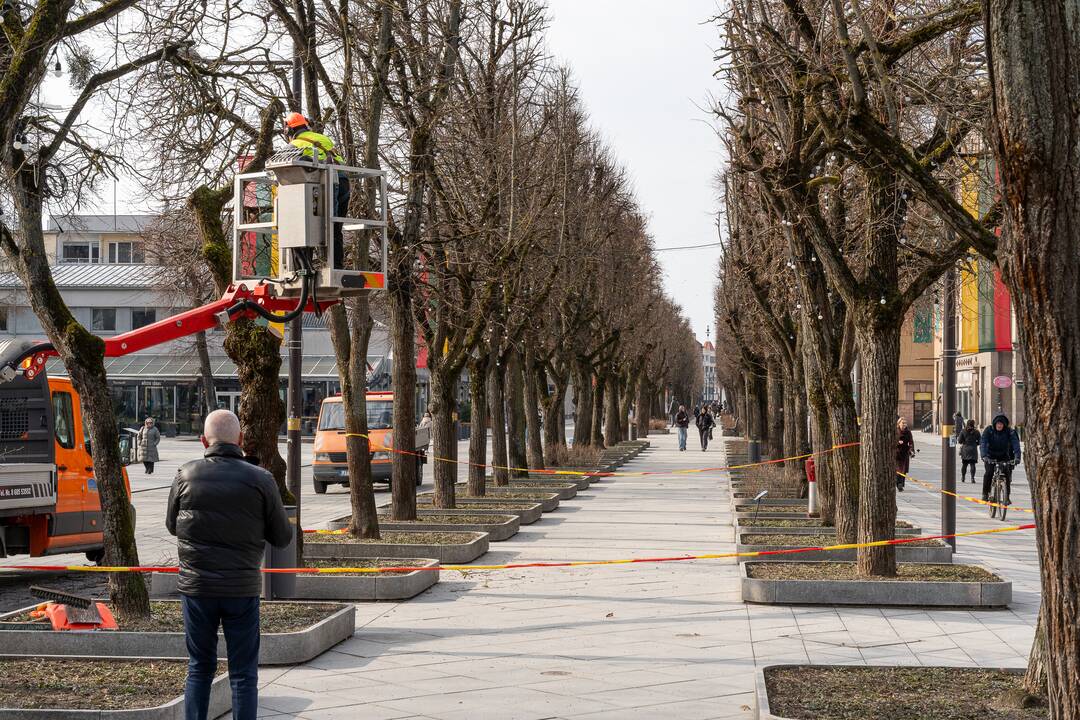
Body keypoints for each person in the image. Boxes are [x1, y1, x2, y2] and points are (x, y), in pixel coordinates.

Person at [167, 410, 293, 720]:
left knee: (199, 667)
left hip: (197, 590)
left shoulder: (185, 474)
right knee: (244, 673)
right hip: (241, 588)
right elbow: (282, 536)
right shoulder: (261, 479)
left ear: (202, 440)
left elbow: (173, 525)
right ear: (240, 440)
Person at [283, 112, 349, 270]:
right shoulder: (323, 139)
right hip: (343, 182)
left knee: (308, 226)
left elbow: (280, 165)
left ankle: (304, 269)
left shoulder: (295, 144)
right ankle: (336, 266)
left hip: (322, 184)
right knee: (334, 227)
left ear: (289, 131)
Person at [980, 413, 1021, 504]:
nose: (999, 425)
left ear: (1004, 425)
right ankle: (985, 493)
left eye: (1001, 424)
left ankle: (1007, 497)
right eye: (998, 423)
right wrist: (984, 456)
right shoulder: (989, 430)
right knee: (989, 473)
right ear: (995, 424)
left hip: (1003, 455)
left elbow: (1016, 444)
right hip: (990, 456)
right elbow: (983, 443)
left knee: (1007, 474)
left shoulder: (1009, 432)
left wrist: (1017, 457)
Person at [958, 419, 980, 483]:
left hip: (965, 449)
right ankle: (972, 478)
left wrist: (964, 442)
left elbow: (959, 441)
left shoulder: (963, 431)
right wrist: (975, 443)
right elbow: (980, 441)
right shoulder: (976, 432)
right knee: (972, 464)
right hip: (973, 449)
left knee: (964, 464)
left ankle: (963, 477)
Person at [895, 417, 914, 491]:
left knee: (904, 470)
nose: (904, 425)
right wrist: (897, 442)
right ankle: (898, 484)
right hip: (897, 454)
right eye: (903, 423)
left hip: (905, 453)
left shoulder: (908, 432)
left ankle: (901, 484)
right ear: (899, 424)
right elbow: (891, 440)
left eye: (905, 423)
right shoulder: (896, 431)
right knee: (898, 470)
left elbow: (911, 442)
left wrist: (911, 450)